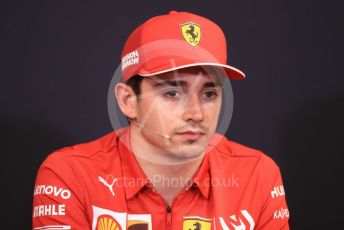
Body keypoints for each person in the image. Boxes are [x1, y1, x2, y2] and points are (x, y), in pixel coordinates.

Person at [32, 11, 290, 230]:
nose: (196, 114)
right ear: (128, 101)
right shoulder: (70, 174)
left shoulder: (258, 175)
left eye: (209, 93)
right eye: (172, 93)